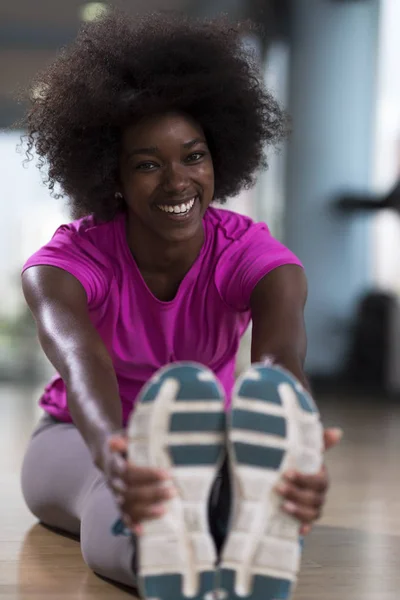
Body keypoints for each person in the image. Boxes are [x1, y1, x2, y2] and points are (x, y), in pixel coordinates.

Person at [19, 10, 341, 600]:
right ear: (111, 175)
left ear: (219, 157)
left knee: (216, 476)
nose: (176, 181)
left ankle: (230, 519)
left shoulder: (255, 257)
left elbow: (281, 363)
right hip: (79, 436)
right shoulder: (64, 265)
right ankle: (165, 556)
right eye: (147, 164)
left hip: (206, 438)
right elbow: (83, 364)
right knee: (115, 492)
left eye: (193, 156)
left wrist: (298, 440)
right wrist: (116, 453)